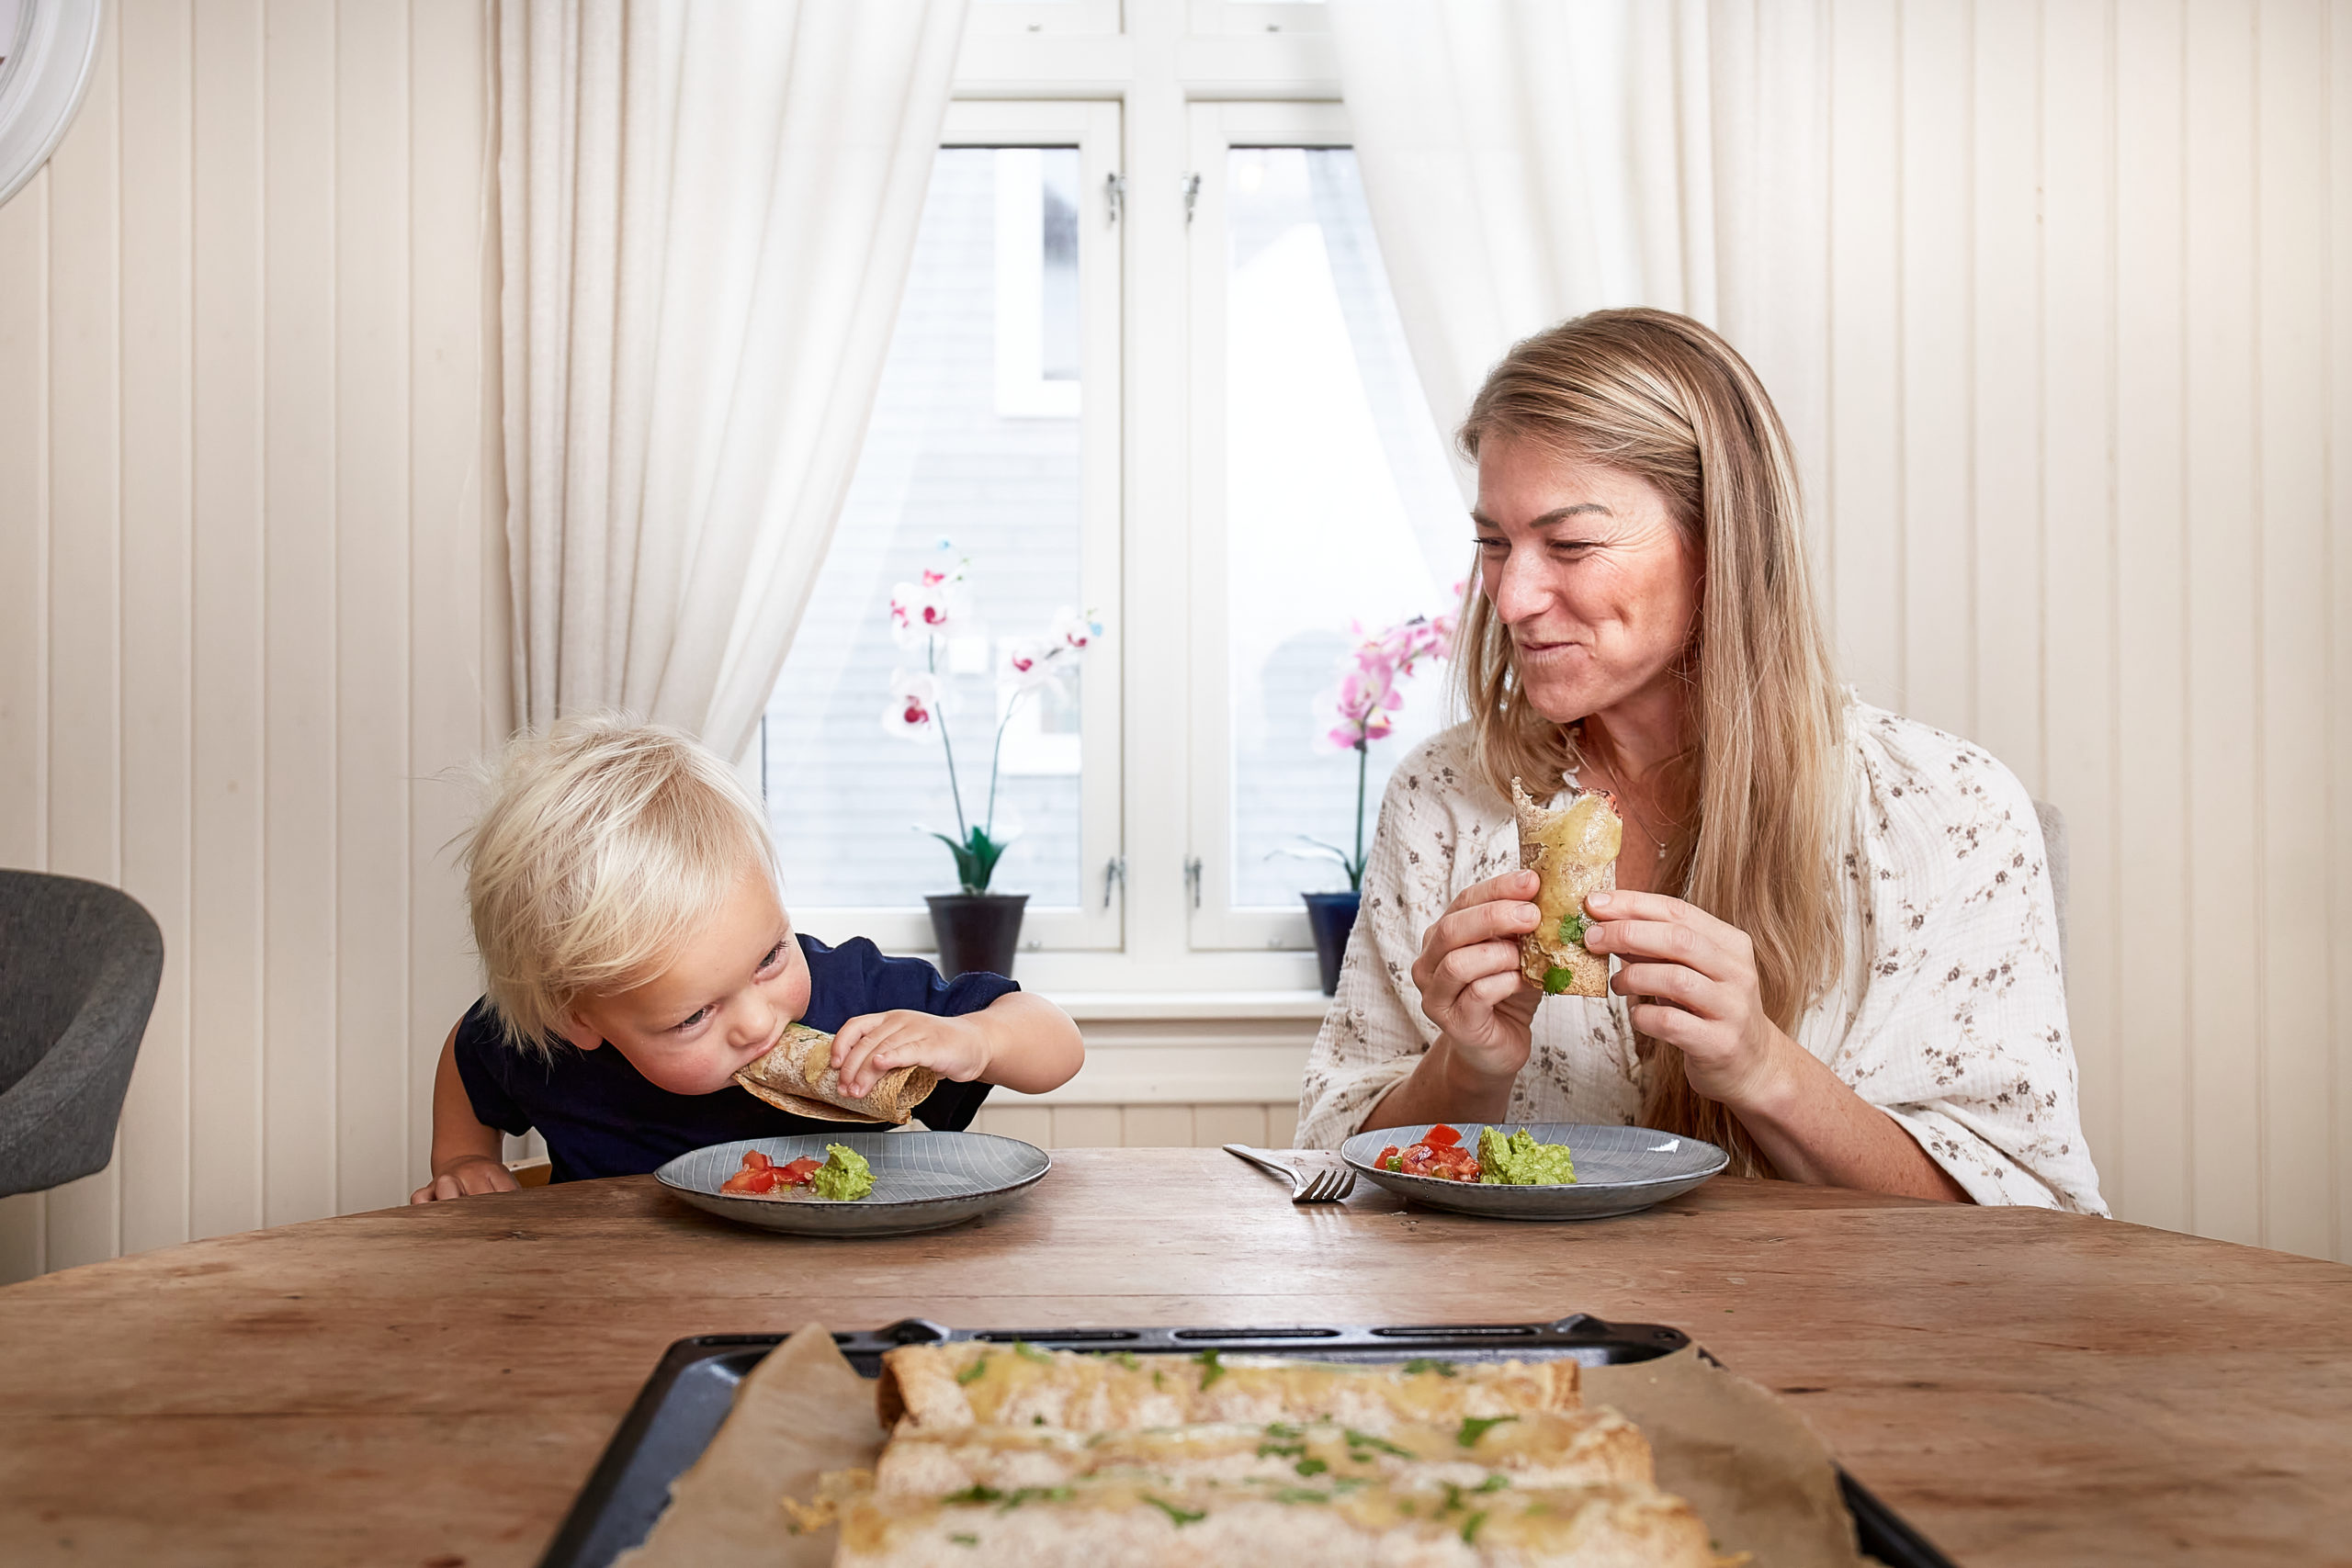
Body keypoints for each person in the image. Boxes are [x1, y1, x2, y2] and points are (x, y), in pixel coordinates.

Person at [1296, 309, 2104, 1213]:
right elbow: (1334, 1184)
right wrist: (1468, 1069)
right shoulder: (1445, 799)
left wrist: (1761, 1067)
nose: (1513, 596)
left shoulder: (1946, 810)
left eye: (1570, 545)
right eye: (1494, 543)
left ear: (1720, 543)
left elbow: (2035, 1229)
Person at [410, 717, 1084, 1201]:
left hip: (850, 1294)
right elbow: (475, 1048)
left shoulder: (854, 999)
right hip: (614, 1307)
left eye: (768, 957)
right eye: (696, 1014)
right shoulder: (546, 1049)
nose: (759, 1022)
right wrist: (464, 1156)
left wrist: (976, 1037)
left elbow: (1056, 1042)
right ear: (573, 1018)